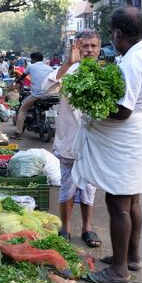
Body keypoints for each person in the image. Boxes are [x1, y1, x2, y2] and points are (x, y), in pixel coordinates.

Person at [73, 7, 142, 283]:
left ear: (118, 34)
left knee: (118, 203)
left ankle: (119, 270)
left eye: (111, 33)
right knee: (132, 200)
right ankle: (131, 258)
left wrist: (92, 109)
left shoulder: (133, 63)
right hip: (141, 136)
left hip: (130, 139)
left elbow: (123, 110)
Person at [41, 30, 101, 248]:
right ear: (76, 48)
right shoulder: (67, 71)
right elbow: (46, 88)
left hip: (93, 142)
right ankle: (65, 228)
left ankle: (87, 228)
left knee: (89, 187)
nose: (89, 50)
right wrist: (67, 63)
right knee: (67, 185)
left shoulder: (103, 73)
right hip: (68, 138)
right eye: (84, 46)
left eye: (93, 46)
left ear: (99, 48)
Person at [11, 52, 53, 138]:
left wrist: (17, 81)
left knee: (22, 110)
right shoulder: (50, 68)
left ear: (34, 59)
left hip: (36, 95)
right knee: (51, 110)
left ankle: (18, 132)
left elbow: (23, 76)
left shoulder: (31, 66)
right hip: (49, 95)